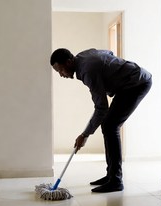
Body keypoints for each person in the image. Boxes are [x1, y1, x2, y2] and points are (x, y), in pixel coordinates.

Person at [50, 48, 152, 193]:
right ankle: (111, 175)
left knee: (110, 126)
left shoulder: (88, 71)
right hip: (127, 85)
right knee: (108, 125)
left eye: (60, 70)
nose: (61, 75)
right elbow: (108, 53)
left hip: (137, 83)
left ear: (68, 62)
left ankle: (116, 180)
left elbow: (101, 107)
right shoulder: (83, 56)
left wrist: (85, 134)